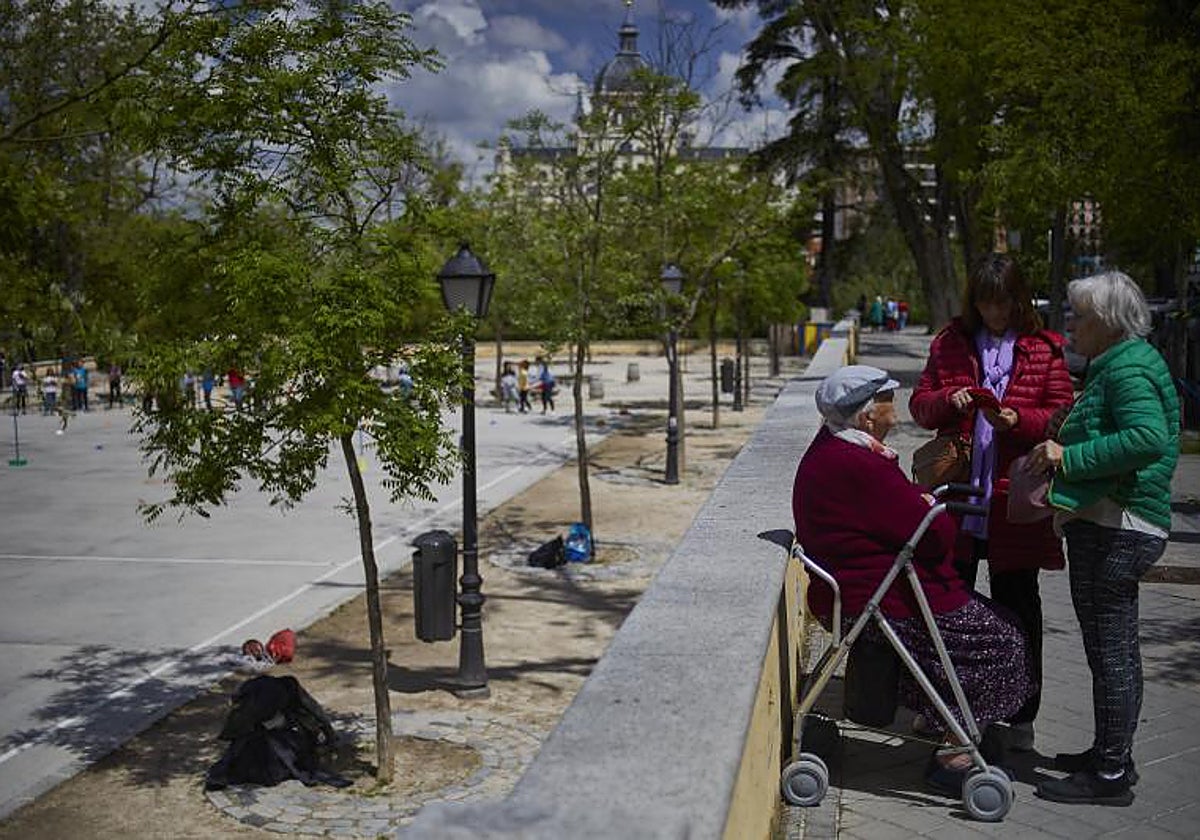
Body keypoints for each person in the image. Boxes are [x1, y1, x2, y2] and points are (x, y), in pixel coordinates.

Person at [794, 365, 1033, 795]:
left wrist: (917, 504)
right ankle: (953, 753)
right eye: (888, 399)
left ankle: (947, 717)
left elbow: (899, 516)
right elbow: (935, 535)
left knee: (998, 625)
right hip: (882, 599)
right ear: (868, 416)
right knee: (1007, 642)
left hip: (875, 589)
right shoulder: (858, 464)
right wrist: (923, 506)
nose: (895, 407)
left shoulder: (835, 448)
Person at [1024, 272, 1180, 807]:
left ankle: (1109, 775)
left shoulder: (1127, 369)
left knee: (1110, 653)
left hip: (1119, 524)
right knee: (1113, 652)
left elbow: (1146, 438)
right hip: (1113, 521)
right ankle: (1112, 755)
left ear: (1107, 323)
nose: (1070, 324)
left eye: (1079, 316)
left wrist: (1068, 457)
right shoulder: (1119, 363)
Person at [909, 253, 1074, 753]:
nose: (994, 314)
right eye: (985, 304)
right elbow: (920, 404)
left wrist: (1015, 421)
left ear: (1017, 300)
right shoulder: (951, 341)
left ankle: (1020, 715)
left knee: (1018, 606)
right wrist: (949, 401)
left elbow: (1062, 416)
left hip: (1013, 499)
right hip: (960, 494)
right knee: (949, 605)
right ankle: (945, 706)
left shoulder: (1044, 349)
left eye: (1001, 304)